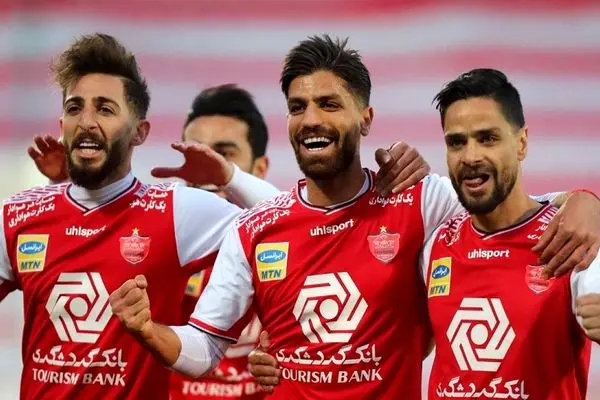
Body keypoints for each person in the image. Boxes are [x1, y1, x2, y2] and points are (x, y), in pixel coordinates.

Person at [109, 36, 600, 399]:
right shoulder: (254, 228)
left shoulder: (418, 202)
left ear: (365, 118)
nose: (312, 119)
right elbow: (202, 350)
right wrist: (148, 330)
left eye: (329, 104)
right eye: (298, 106)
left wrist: (584, 200)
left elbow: (507, 202)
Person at [0, 33, 282, 400]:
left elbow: (291, 222)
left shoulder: (175, 211)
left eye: (105, 109)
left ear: (139, 132)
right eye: (74, 108)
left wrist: (230, 177)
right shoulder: (18, 215)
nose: (86, 121)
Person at [424, 69, 600, 399]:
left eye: (488, 138)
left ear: (521, 143)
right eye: (456, 142)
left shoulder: (572, 237)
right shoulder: (434, 243)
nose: (471, 156)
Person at [169, 84, 270, 400]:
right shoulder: (154, 242)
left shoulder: (289, 248)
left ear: (260, 170)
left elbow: (297, 220)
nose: (206, 167)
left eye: (224, 155)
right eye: (196, 153)